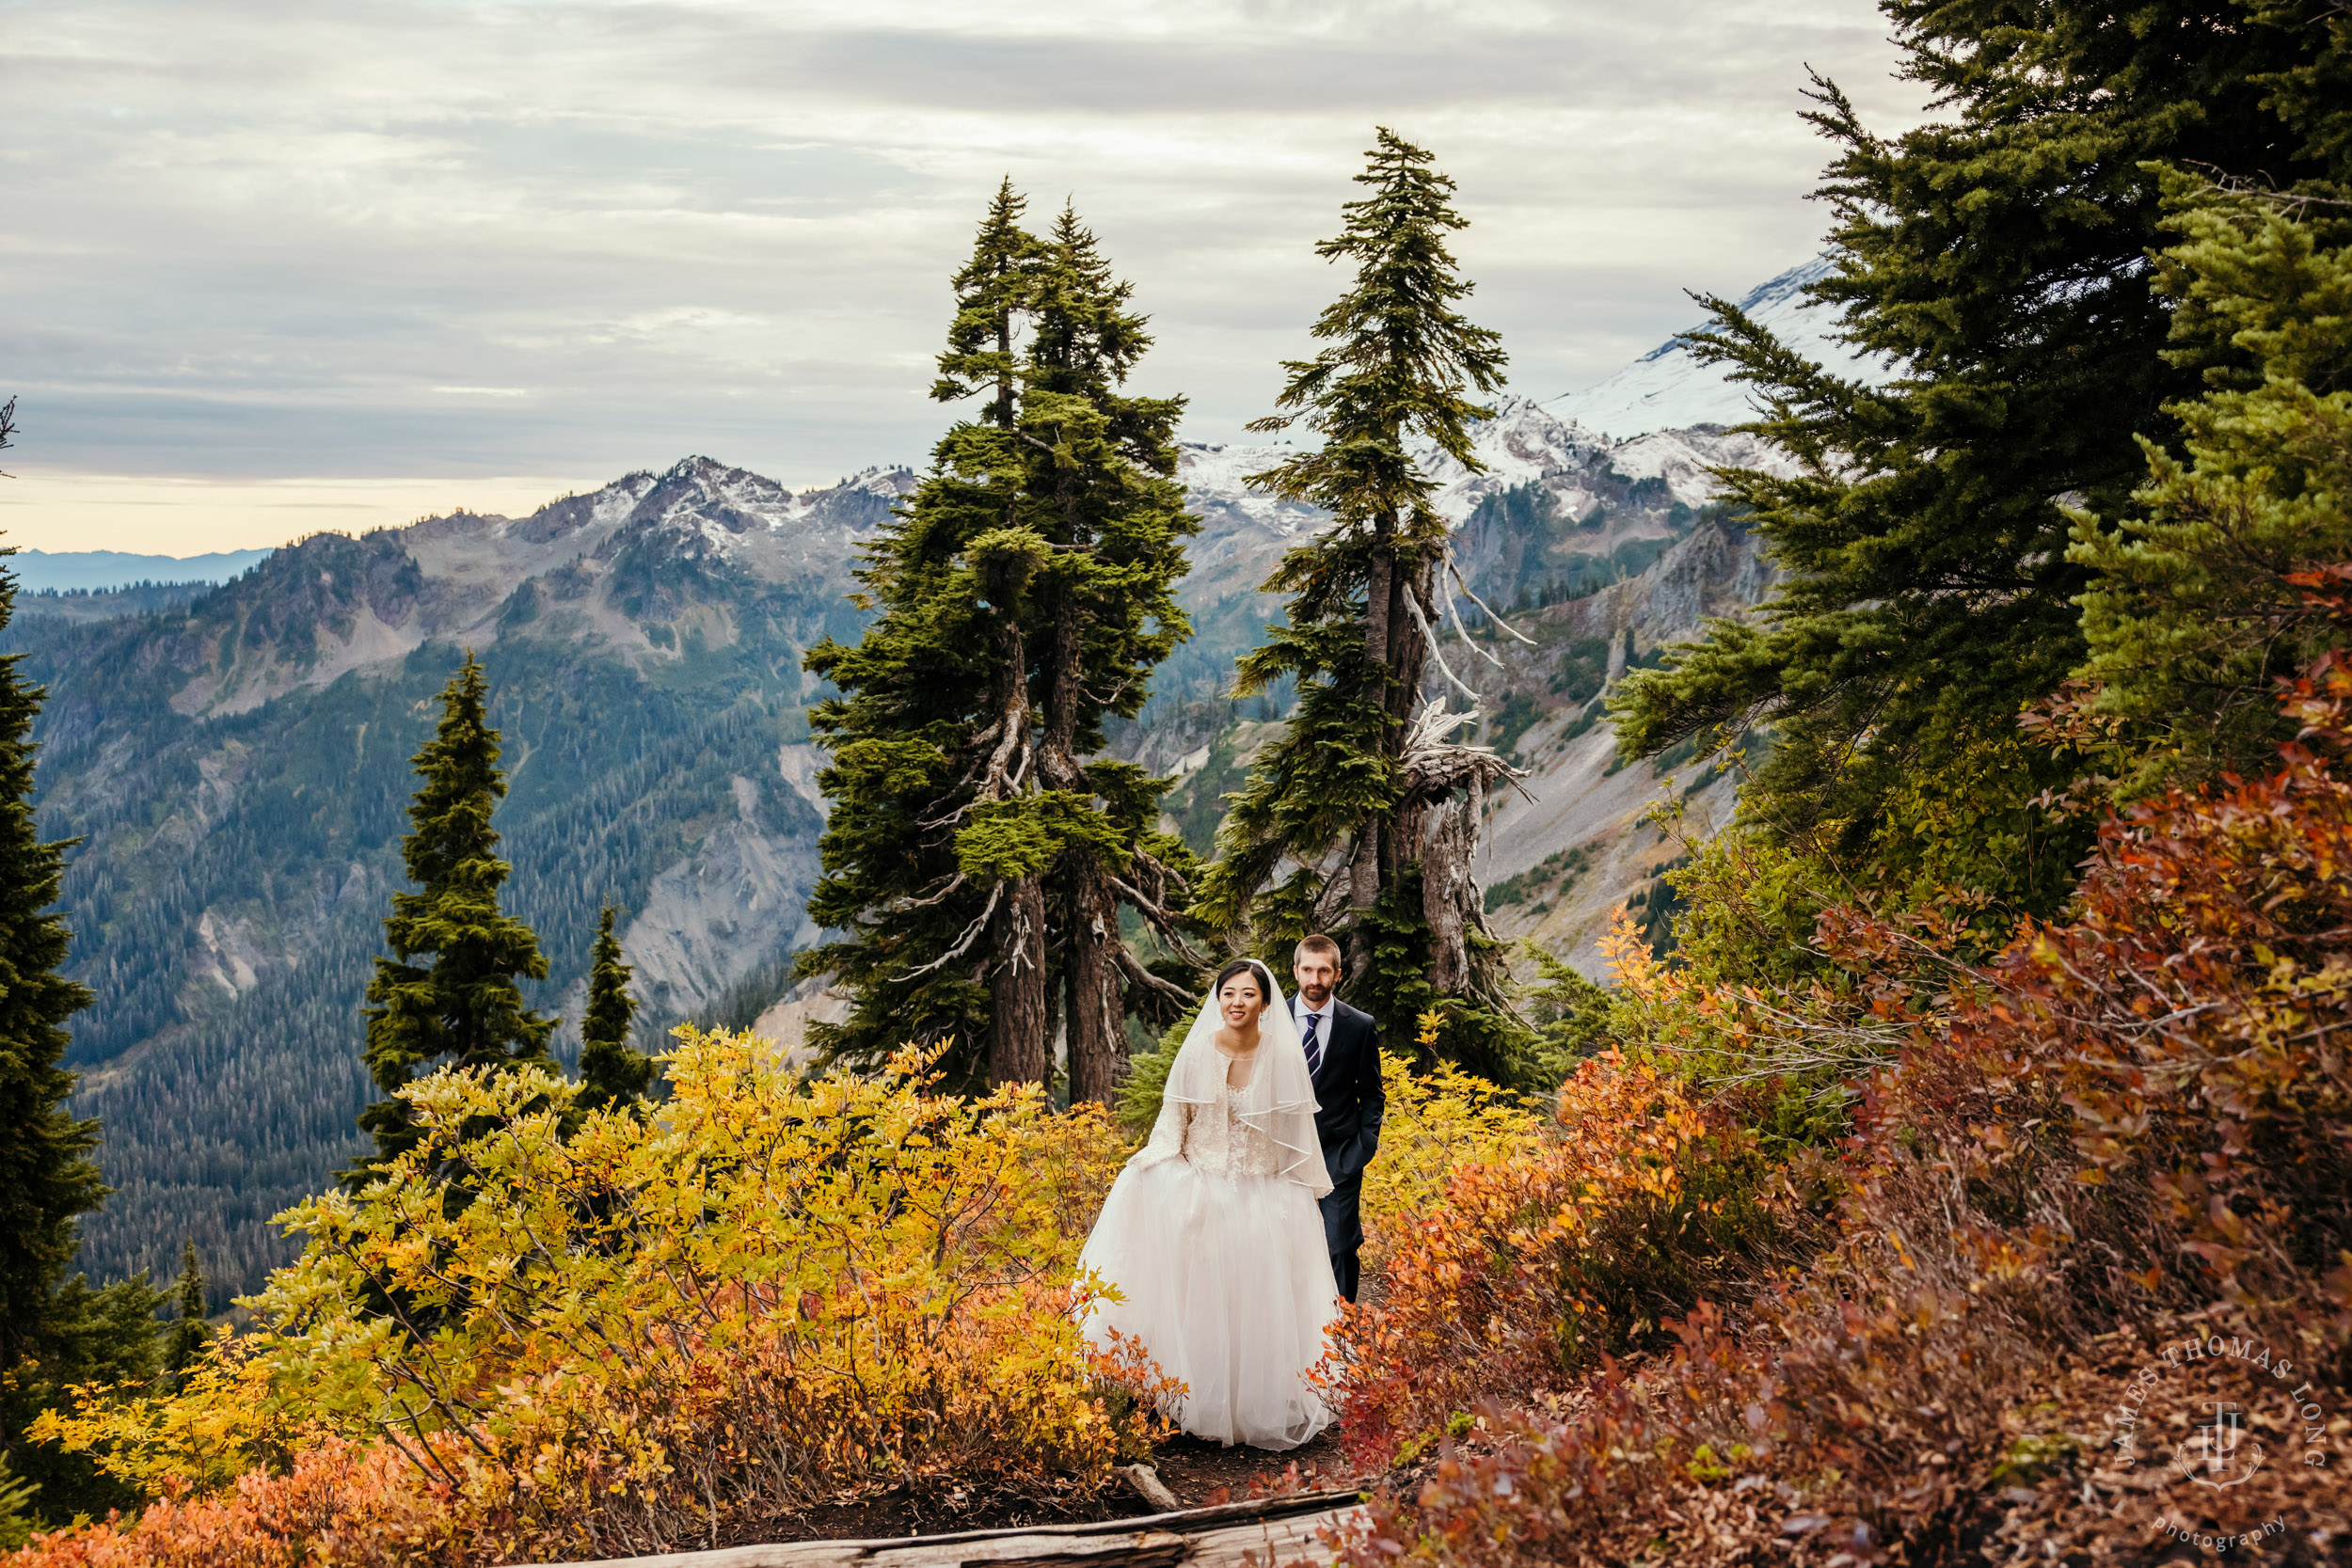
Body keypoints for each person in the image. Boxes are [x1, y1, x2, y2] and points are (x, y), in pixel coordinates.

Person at [1076, 958, 1339, 1449]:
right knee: (1196, 1296)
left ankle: (1252, 1402)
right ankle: (1190, 1396)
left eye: (1248, 994)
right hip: (1200, 1180)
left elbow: (1291, 1137)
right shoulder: (1198, 1053)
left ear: (1265, 1003)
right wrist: (1149, 1164)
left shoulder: (1282, 1056)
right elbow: (1173, 1123)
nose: (1237, 1003)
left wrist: (1295, 1194)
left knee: (1256, 1300)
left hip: (1263, 1190)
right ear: (1218, 1001)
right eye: (1228, 994)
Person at [1291, 933, 1382, 1302]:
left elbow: (1373, 1095)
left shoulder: (1359, 1025)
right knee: (1285, 1249)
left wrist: (1362, 1147)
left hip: (1339, 1157)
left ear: (1338, 974)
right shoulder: (1272, 1021)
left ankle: (1342, 1338)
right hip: (1285, 1156)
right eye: (1308, 970)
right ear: (1296, 971)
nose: (1315, 979)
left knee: (1339, 1246)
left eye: (1324, 971)